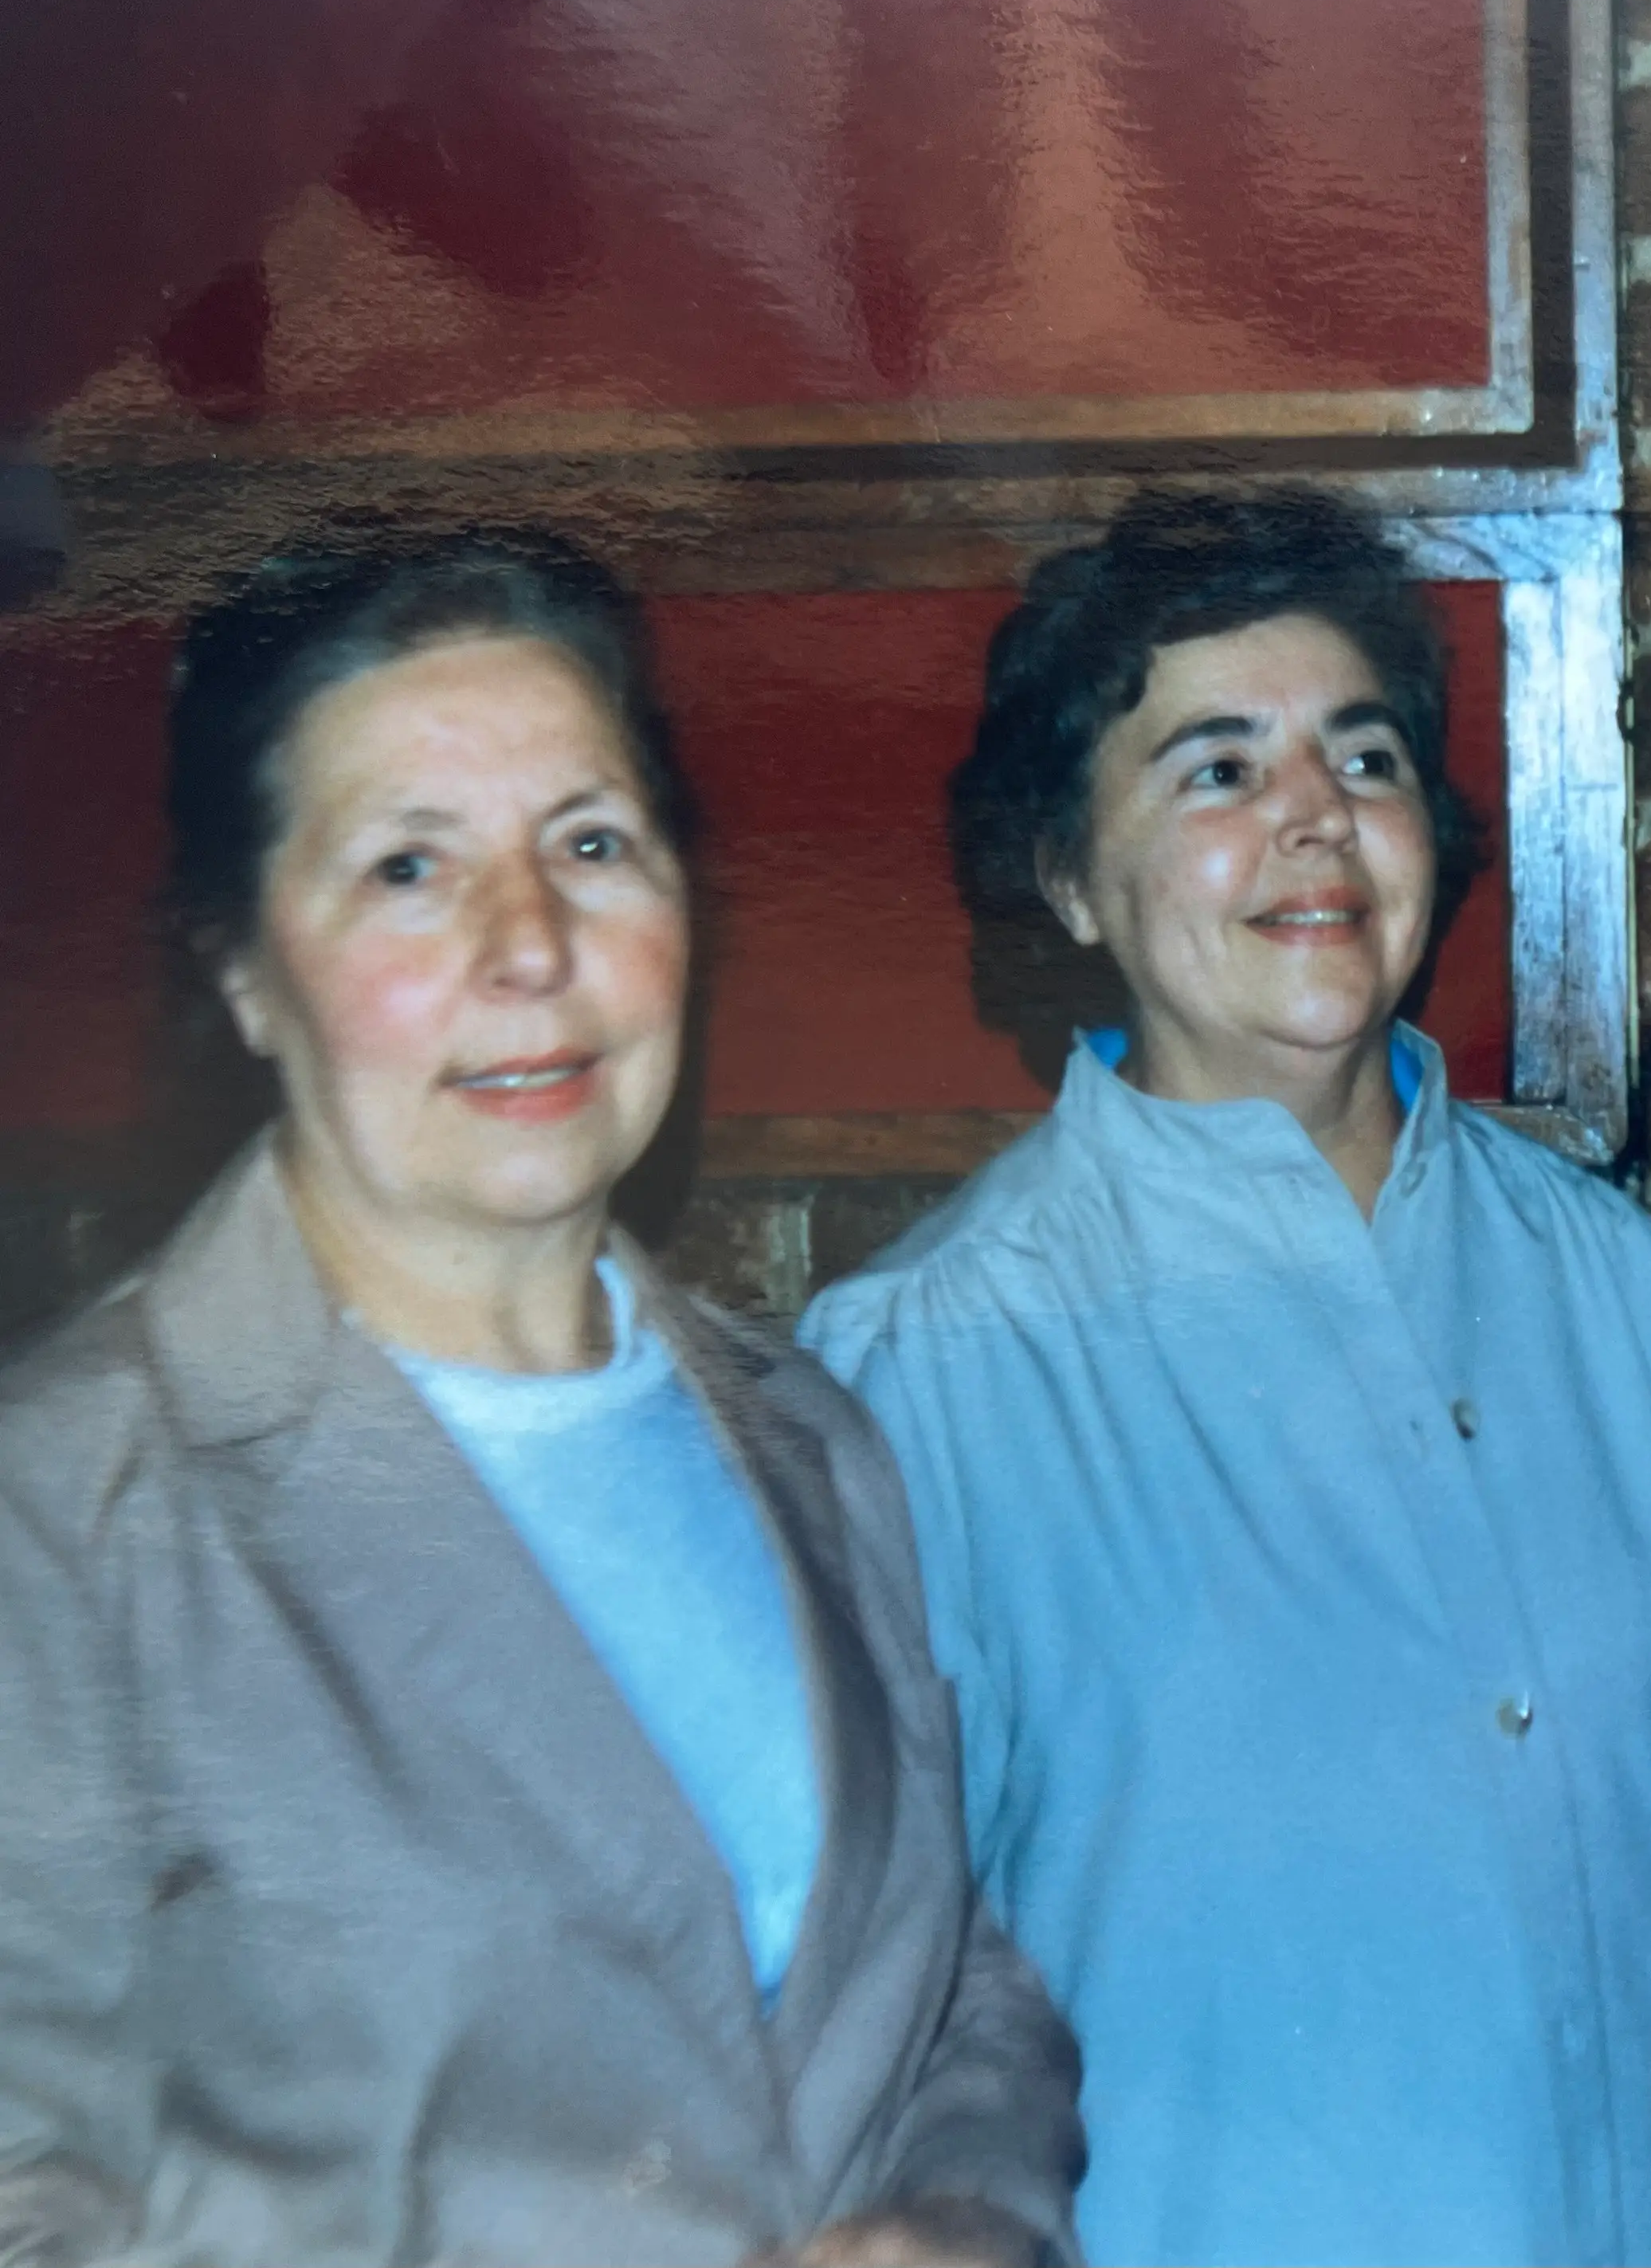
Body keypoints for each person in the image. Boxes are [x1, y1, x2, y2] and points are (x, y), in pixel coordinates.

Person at [0, 532, 1084, 2267]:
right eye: (411, 867)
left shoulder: (810, 1437)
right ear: (242, 969)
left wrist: (959, 2216)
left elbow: (952, 1976)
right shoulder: (65, 1511)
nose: (530, 946)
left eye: (589, 842)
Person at [802, 485, 1651, 2267]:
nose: (1313, 822)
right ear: (1064, 873)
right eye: (1214, 769)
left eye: (1362, 756)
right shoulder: (920, 1373)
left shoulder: (1625, 1297)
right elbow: (855, 2039)